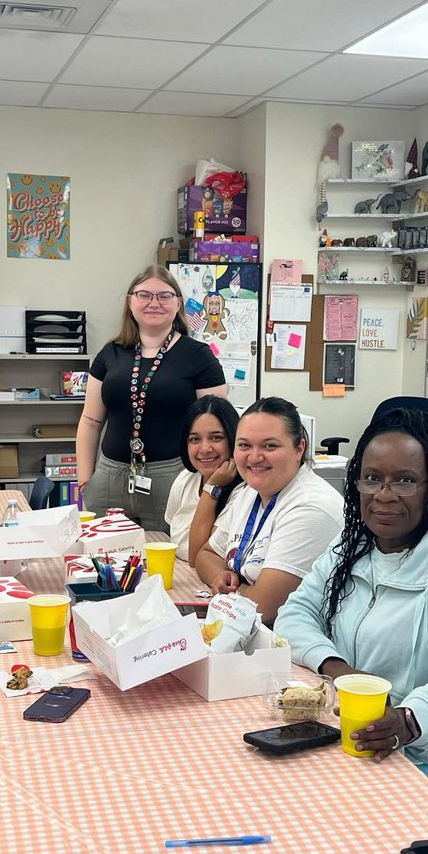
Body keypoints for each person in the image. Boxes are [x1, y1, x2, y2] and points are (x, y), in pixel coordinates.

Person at [275, 407, 428, 834]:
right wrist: (341, 672)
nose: (385, 495)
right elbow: (294, 615)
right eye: (372, 478)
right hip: (374, 741)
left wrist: (409, 720)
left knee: (340, 829)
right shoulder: (352, 546)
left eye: (405, 480)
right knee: (291, 802)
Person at [77, 265, 227, 531]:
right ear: (130, 302)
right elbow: (90, 421)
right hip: (109, 478)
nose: (154, 303)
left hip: (173, 477)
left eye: (164, 296)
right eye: (144, 295)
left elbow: (218, 430)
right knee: (107, 563)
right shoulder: (109, 354)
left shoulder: (199, 356)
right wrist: (85, 479)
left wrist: (211, 484)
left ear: (178, 303)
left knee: (171, 562)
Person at [195, 397, 344, 626]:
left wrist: (236, 593)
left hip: (295, 649)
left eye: (269, 446)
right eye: (244, 445)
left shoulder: (310, 507)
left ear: (299, 448)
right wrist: (219, 576)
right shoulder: (249, 492)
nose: (254, 457)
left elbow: (261, 610)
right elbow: (205, 555)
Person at [164, 395, 242, 564]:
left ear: (233, 440)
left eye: (216, 437)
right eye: (195, 439)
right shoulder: (186, 478)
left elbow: (198, 559)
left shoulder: (243, 493)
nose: (205, 448)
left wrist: (212, 487)